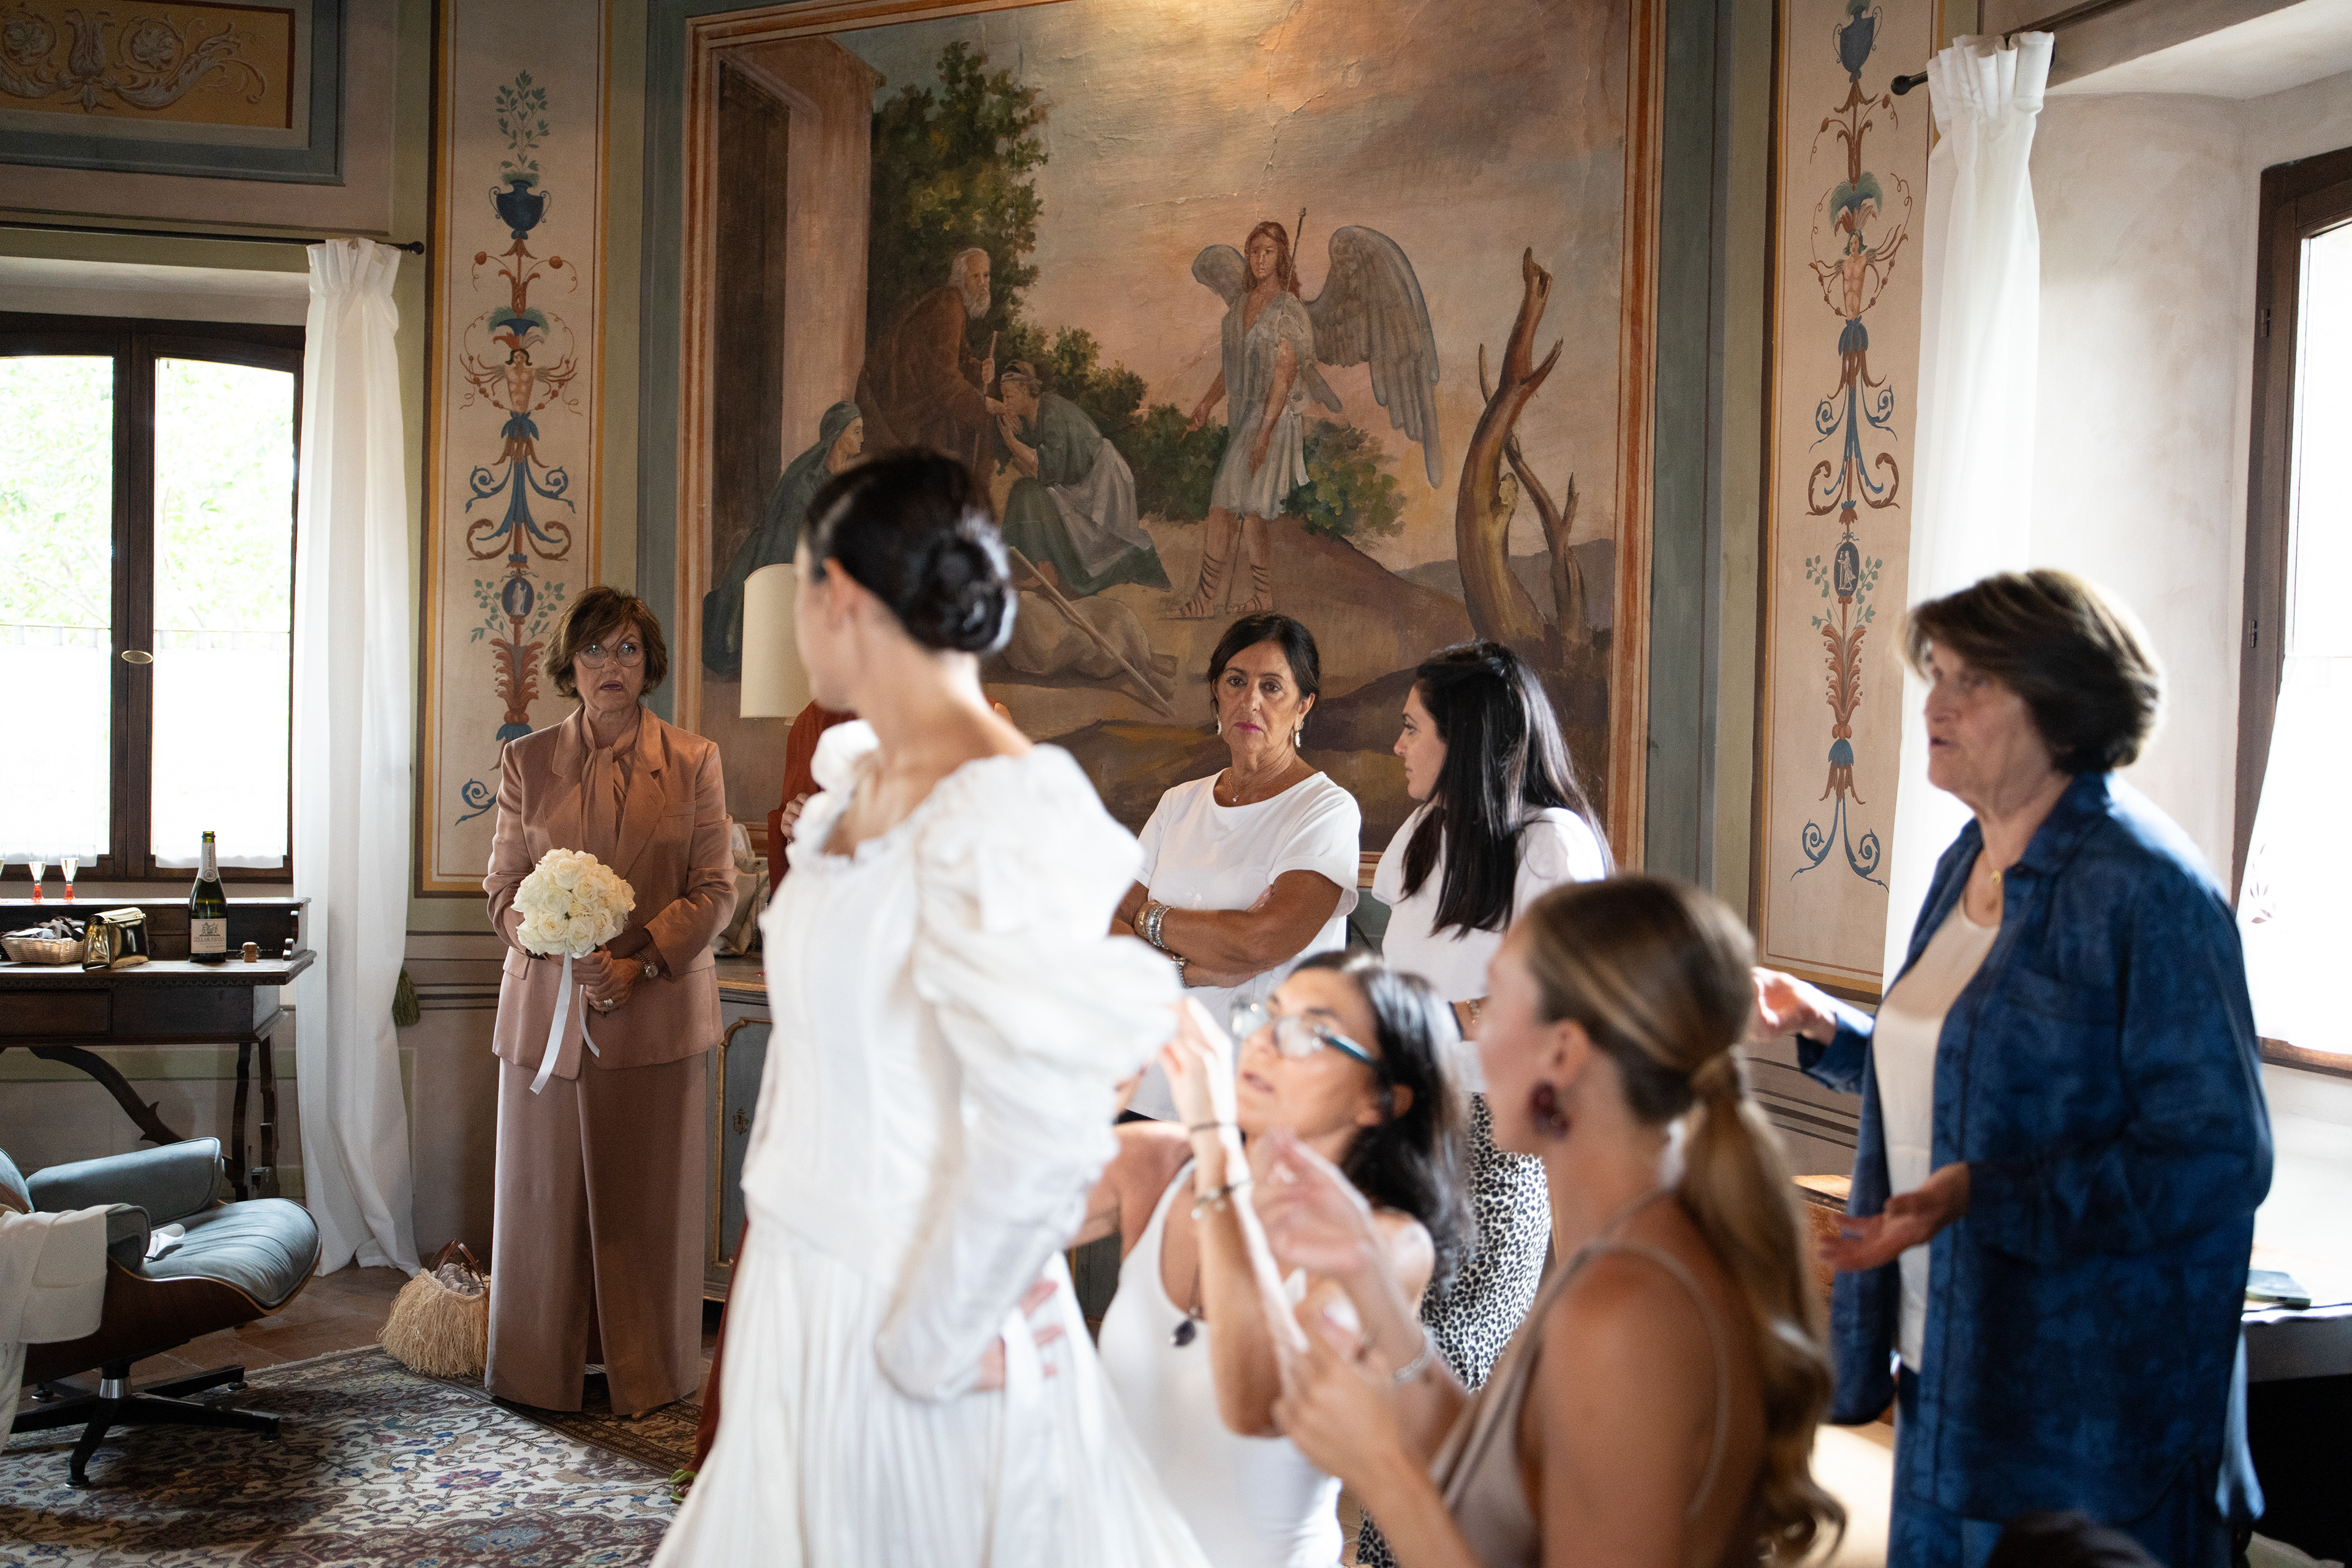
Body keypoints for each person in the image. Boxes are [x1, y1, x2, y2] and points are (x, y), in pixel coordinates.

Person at [656, 453, 1208, 1568]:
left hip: (916, 1307)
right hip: (799, 1279)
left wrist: (933, 1338)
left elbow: (1046, 1118)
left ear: (839, 595)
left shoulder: (1009, 810)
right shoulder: (856, 781)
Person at [1754, 570, 2271, 1568]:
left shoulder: (2147, 888)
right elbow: (1968, 1081)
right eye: (1936, 675)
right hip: (1947, 1368)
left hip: (2091, 1413)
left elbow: (2217, 1159)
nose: (1935, 706)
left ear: (2063, 703)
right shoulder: (1967, 859)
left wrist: (1988, 1196)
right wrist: (1830, 1030)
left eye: (1974, 681)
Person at [1264, 878, 1844, 1568]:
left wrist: (1380, 1469)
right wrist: (1371, 1279)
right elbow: (1507, 1482)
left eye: (1489, 1004)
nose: (1469, 1036)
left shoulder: (1625, 1312)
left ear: (1563, 1054)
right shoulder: (1626, 1244)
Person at [1080, 954, 1468, 1568]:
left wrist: (1216, 1140)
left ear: (1380, 1099)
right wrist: (1092, 1091)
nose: (1263, 1042)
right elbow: (982, 1220)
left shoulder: (1385, 1244)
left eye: (1308, 1034)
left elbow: (1262, 1404)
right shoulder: (1161, 1163)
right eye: (1268, 1016)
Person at [1354, 641, 1610, 1568]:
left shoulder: (1551, 842)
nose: (1397, 745)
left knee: (1448, 1360)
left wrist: (1430, 1018)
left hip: (1500, 1144)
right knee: (1394, 1362)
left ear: (1463, 737)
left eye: (1412, 727)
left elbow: (1563, 1002)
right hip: (1408, 1137)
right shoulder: (1426, 833)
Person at [482, 587, 736, 1416]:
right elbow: (503, 890)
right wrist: (545, 937)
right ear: (570, 664)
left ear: (648, 663)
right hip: (544, 1019)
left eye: (627, 649)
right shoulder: (526, 762)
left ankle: (649, 1372)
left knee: (647, 1207)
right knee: (544, 1205)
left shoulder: (695, 760)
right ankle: (537, 1368)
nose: (610, 666)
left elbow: (715, 890)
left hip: (654, 1015)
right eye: (593, 650)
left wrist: (639, 964)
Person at [1115, 612, 1362, 1120]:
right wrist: (1191, 969)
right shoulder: (1179, 802)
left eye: (1272, 687)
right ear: (1216, 693)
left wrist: (1149, 918)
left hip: (1253, 1095)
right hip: (1146, 1076)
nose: (1250, 701)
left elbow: (1261, 941)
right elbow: (1107, 924)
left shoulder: (1325, 809)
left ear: (1303, 706)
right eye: (1236, 681)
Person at [1176, 221, 1314, 618]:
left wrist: (1264, 435)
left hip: (1272, 417)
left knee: (1222, 503)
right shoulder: (1242, 305)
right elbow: (1231, 367)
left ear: (1281, 257)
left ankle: (1205, 600)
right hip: (1246, 415)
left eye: (1268, 252)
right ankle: (1263, 597)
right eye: (1254, 251)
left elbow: (1283, 378)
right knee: (1251, 512)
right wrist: (1206, 404)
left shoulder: (1288, 311)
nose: (1259, 259)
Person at [703, 401, 864, 679]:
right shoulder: (804, 484)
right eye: (857, 431)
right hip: (793, 564)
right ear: (838, 436)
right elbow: (792, 538)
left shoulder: (849, 481)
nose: (862, 438)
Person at [995, 362, 1169, 597]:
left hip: (1098, 485)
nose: (1005, 403)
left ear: (1026, 391)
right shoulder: (1032, 416)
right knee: (1022, 490)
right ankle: (1032, 568)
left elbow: (1043, 466)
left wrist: (1012, 442)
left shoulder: (1051, 412)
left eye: (1009, 396)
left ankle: (1047, 572)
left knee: (1030, 494)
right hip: (1073, 485)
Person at [857, 249, 1004, 483]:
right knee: (979, 425)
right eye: (975, 276)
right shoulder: (949, 305)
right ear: (961, 279)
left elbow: (959, 360)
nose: (983, 284)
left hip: (916, 407)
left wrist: (980, 368)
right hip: (901, 411)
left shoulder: (953, 304)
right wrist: (985, 404)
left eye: (986, 276)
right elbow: (945, 382)